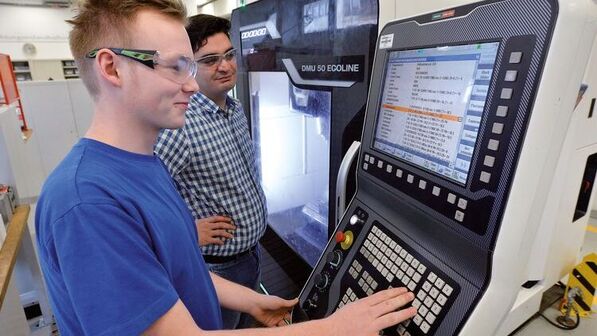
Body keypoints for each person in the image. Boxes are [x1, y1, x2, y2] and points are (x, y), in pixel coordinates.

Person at [35, 0, 417, 335]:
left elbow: (178, 270)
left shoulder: (143, 165)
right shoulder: (87, 202)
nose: (191, 85)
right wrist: (332, 330)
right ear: (112, 68)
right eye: (176, 67)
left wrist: (250, 301)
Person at [154, 14, 264, 329]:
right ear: (189, 67)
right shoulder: (182, 125)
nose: (226, 65)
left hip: (252, 256)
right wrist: (189, 229)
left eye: (229, 55)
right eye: (211, 60)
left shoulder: (235, 108)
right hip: (218, 270)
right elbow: (149, 195)